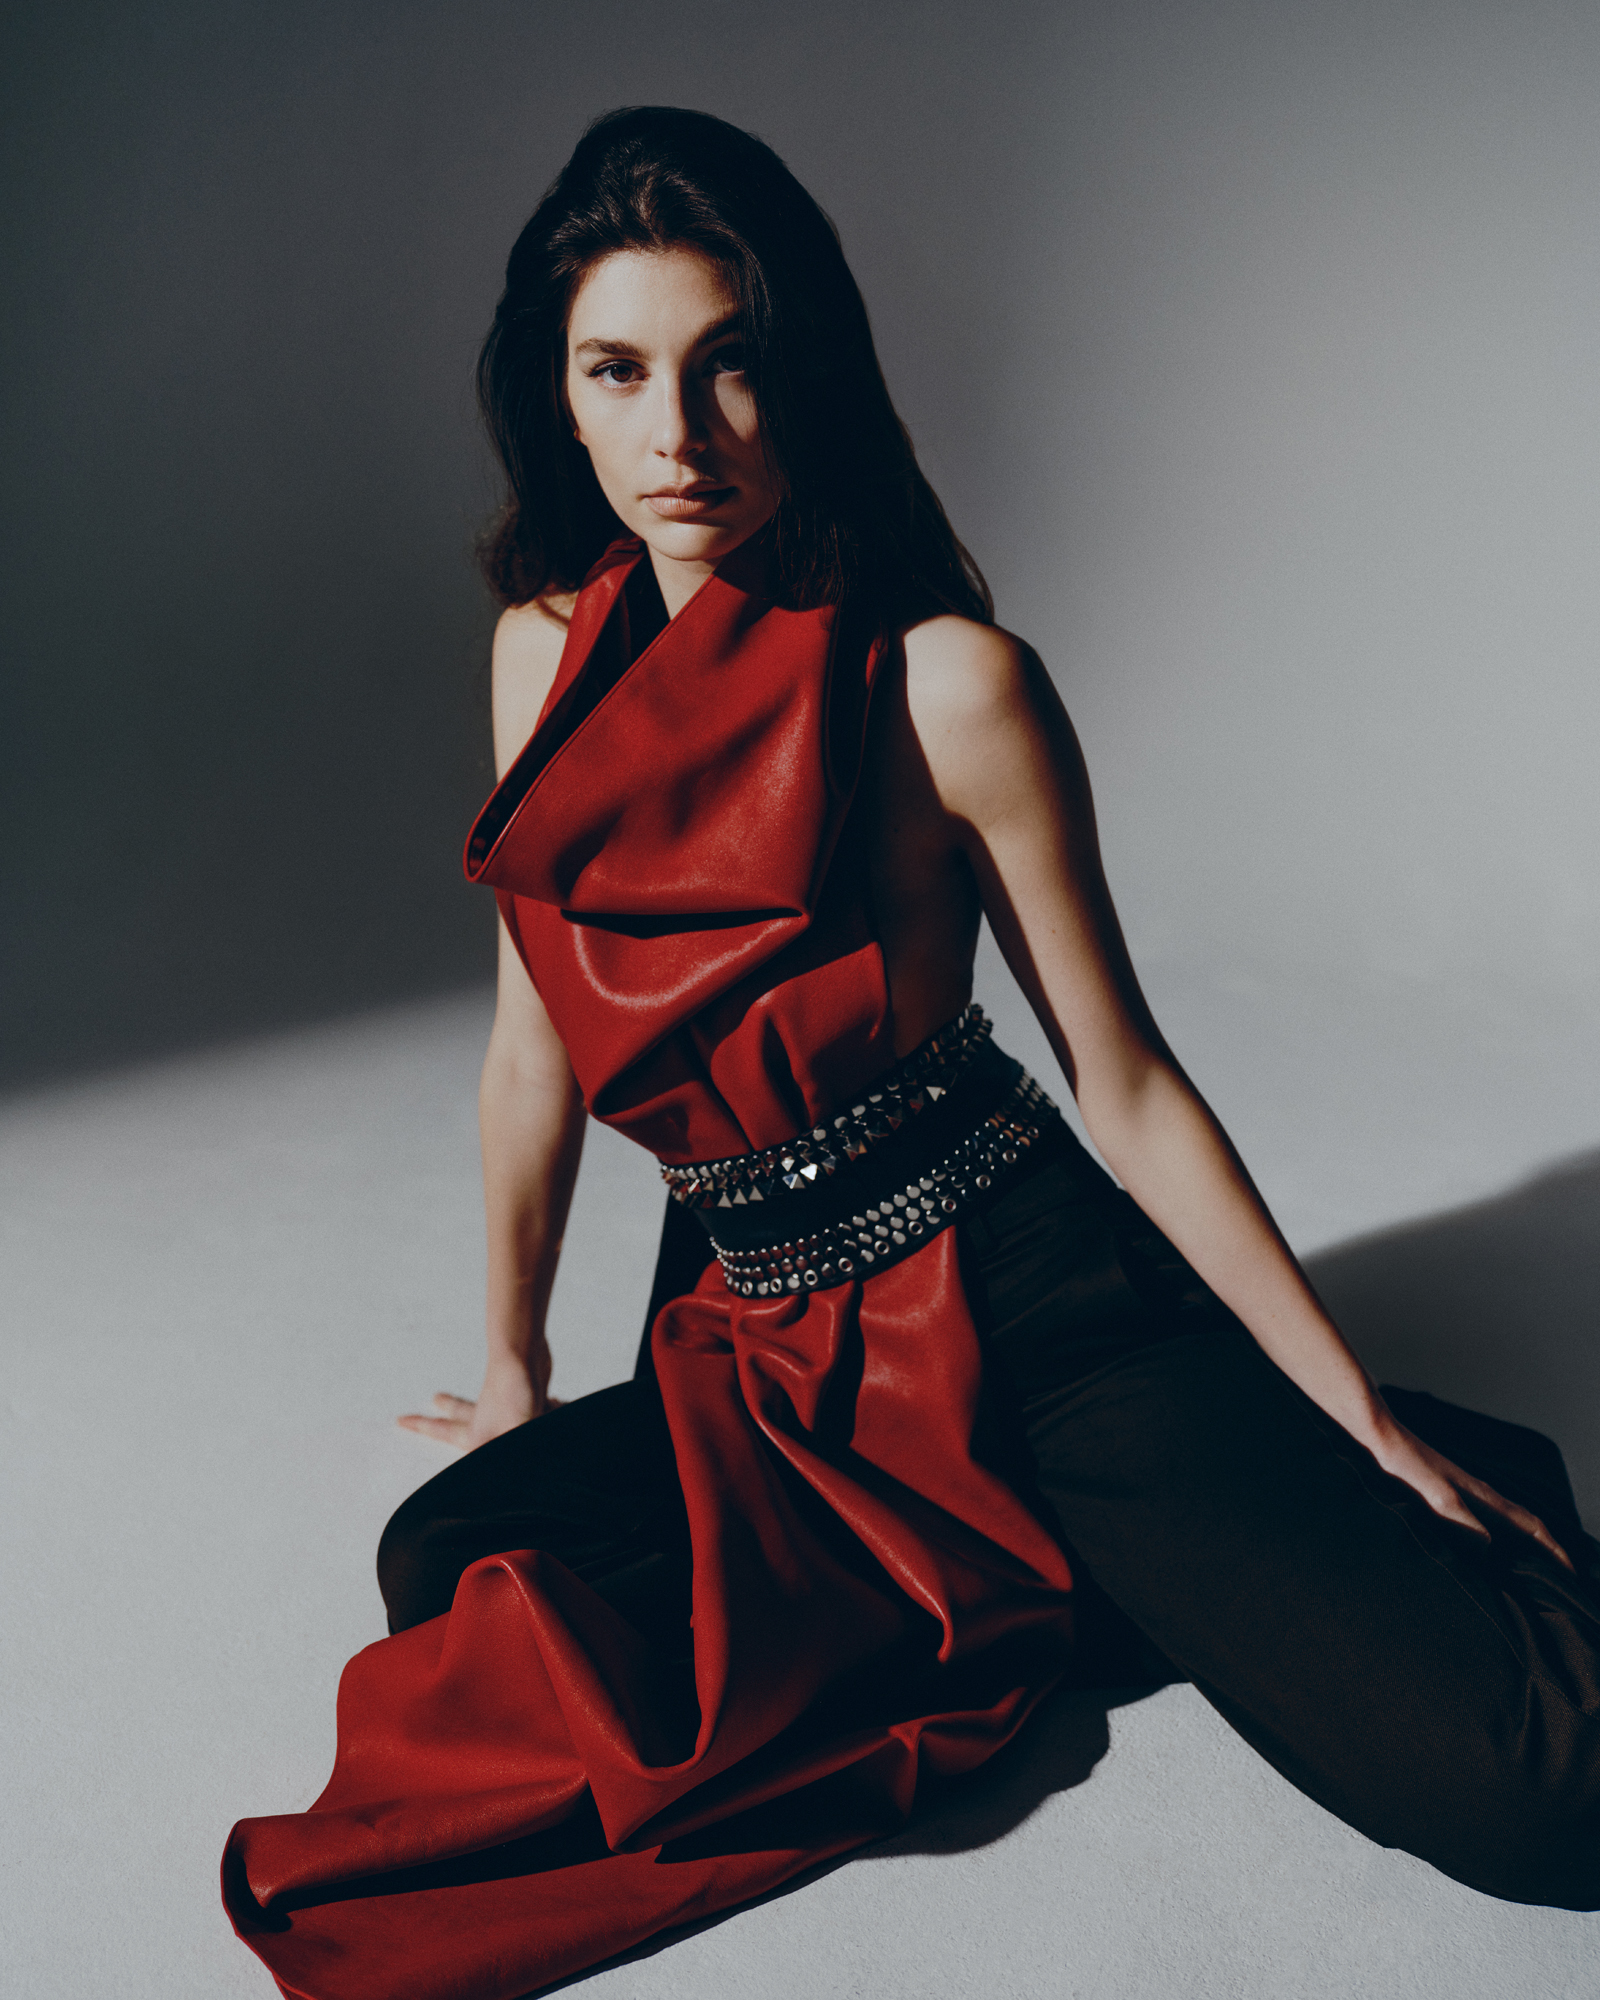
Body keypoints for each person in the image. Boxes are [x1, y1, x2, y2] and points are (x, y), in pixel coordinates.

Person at [223, 107, 1600, 2000]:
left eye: (731, 368)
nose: (676, 435)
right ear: (555, 394)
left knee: (1535, 1796)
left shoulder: (952, 681)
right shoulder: (541, 647)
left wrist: (1355, 1410)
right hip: (754, 1319)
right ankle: (1071, 1573)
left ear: (811, 380)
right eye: (616, 372)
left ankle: (1180, 1511)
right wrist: (512, 1366)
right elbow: (530, 1040)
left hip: (1029, 1305)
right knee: (460, 1550)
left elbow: (1123, 1079)